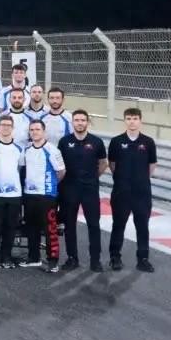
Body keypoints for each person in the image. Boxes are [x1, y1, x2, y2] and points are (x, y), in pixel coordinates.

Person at [107, 107, 158, 273]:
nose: (132, 122)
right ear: (124, 121)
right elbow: (112, 165)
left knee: (142, 226)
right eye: (129, 118)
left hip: (142, 193)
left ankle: (143, 259)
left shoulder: (148, 142)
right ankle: (115, 257)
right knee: (118, 225)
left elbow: (152, 165)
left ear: (140, 121)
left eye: (135, 118)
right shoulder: (116, 141)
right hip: (121, 192)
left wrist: (140, 180)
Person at [59, 109, 107, 272]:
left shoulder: (96, 142)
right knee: (69, 225)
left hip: (90, 189)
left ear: (87, 122)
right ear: (72, 122)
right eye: (77, 120)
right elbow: (60, 165)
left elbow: (103, 163)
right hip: (69, 188)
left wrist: (92, 177)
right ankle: (72, 258)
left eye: (83, 120)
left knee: (93, 225)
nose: (80, 123)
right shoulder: (64, 142)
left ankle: (95, 260)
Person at [22, 119, 65, 272]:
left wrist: (50, 185)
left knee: (50, 230)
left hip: (47, 195)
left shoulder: (52, 150)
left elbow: (61, 172)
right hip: (29, 194)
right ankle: (34, 258)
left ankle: (53, 261)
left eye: (37, 129)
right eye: (32, 130)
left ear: (44, 132)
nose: (34, 132)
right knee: (31, 227)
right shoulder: (26, 149)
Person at [0, 115, 24, 268]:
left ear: (12, 128)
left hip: (14, 194)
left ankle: (6, 257)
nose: (5, 127)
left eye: (8, 125)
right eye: (3, 125)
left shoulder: (19, 148)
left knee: (10, 227)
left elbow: (20, 168)